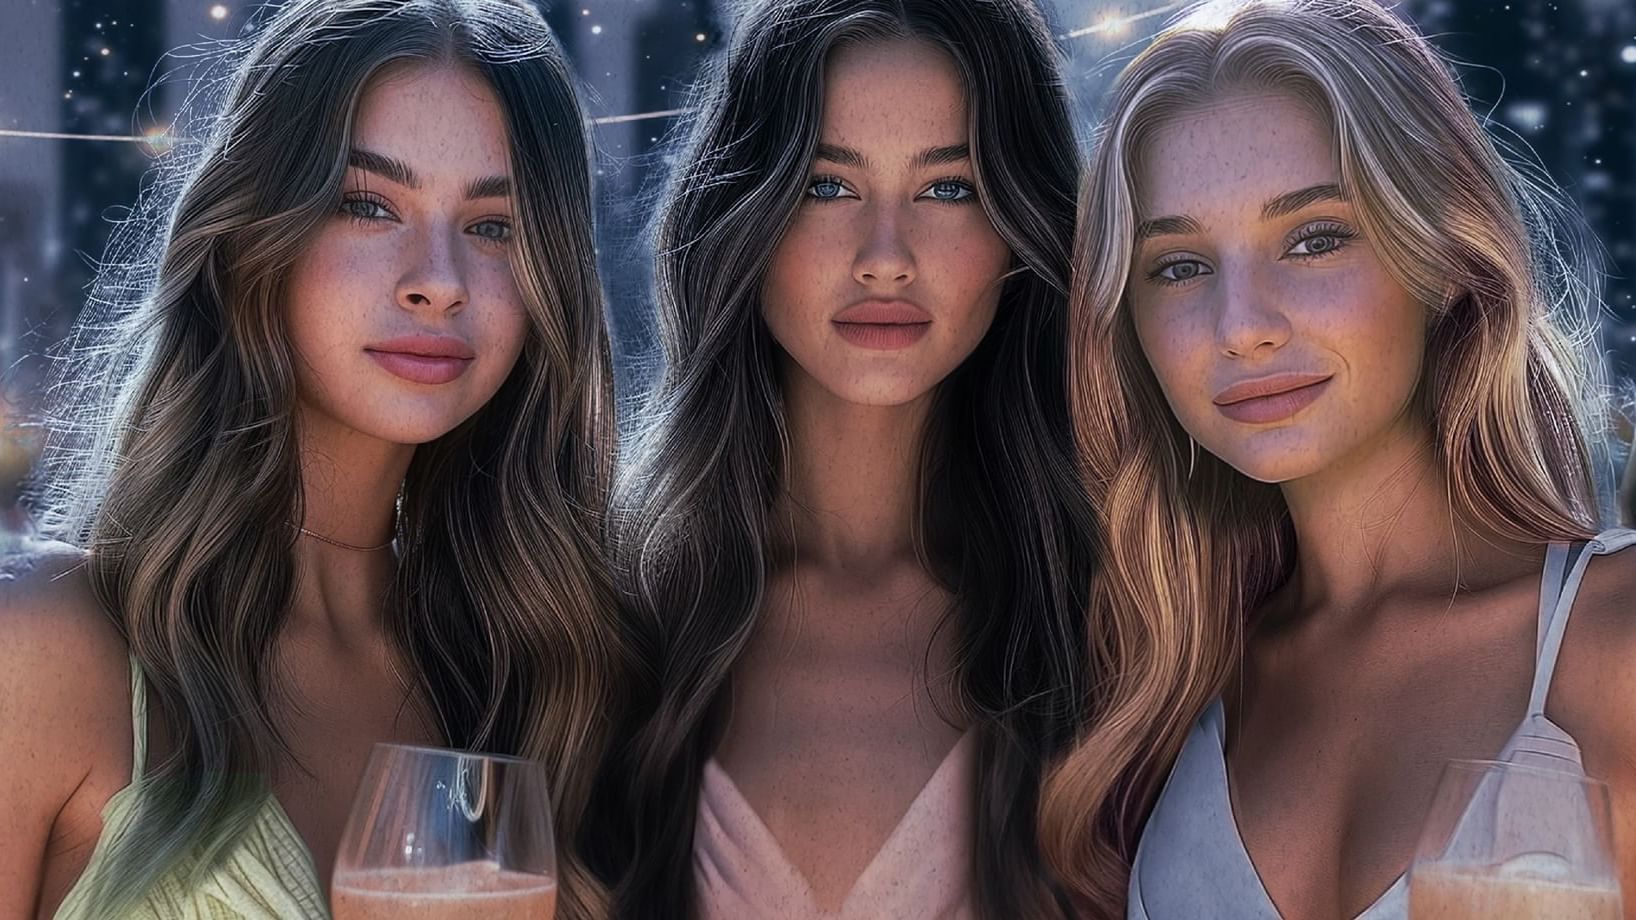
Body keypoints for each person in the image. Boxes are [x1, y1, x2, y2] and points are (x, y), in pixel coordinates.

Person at [0, 1, 624, 917]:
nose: (439, 279)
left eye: (494, 226)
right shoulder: (47, 650)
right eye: (368, 205)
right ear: (256, 239)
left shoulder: (531, 681)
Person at [1039, 1, 1636, 917]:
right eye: (1180, 267)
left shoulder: (1612, 643)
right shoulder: (1158, 695)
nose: (1241, 328)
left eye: (1315, 239)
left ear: (1440, 255)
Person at [596, 0, 1096, 915]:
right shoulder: (607, 614)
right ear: (742, 215)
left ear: (1020, 233)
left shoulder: (1109, 618)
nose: (885, 258)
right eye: (828, 185)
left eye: (949, 189)